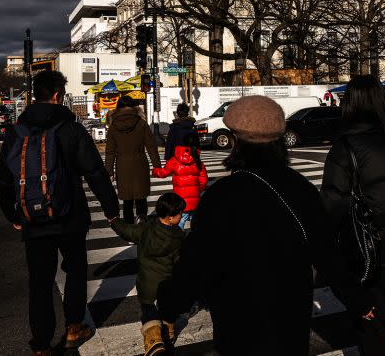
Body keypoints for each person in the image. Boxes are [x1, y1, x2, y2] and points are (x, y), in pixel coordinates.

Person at [157, 95, 373, 355]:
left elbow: (194, 266)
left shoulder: (221, 197)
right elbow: (327, 253)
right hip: (291, 319)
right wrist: (357, 299)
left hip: (238, 323)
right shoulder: (301, 188)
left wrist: (168, 305)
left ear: (236, 141)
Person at [0, 70, 119, 355]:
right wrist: (111, 210)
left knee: (39, 282)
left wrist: (13, 215)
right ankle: (74, 328)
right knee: (75, 271)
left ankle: (41, 344)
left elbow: (4, 177)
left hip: (33, 219)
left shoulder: (17, 131)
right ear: (57, 95)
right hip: (70, 216)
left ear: (35, 95)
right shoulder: (71, 129)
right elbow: (95, 172)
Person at [321, 75, 385, 355]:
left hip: (370, 253)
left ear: (351, 105)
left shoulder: (346, 147)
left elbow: (332, 206)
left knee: (373, 329)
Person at [111, 192, 186, 356]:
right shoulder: (178, 237)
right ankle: (168, 334)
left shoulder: (145, 229)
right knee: (168, 311)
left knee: (149, 312)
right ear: (170, 217)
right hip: (167, 285)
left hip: (146, 285)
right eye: (180, 213)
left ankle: (154, 341)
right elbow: (181, 264)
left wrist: (114, 221)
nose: (181, 216)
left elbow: (126, 230)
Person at [106, 96, 161, 224]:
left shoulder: (114, 126)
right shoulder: (141, 123)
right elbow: (151, 146)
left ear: (118, 108)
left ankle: (129, 225)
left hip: (122, 166)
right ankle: (141, 221)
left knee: (127, 199)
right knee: (141, 197)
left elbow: (110, 152)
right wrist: (156, 165)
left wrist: (109, 171)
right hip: (139, 164)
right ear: (134, 107)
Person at [152, 139, 208, 229]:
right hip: (195, 198)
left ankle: (179, 238)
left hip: (180, 199)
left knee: (181, 220)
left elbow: (163, 172)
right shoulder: (198, 162)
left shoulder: (174, 160)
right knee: (196, 220)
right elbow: (203, 179)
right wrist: (198, 190)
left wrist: (154, 171)